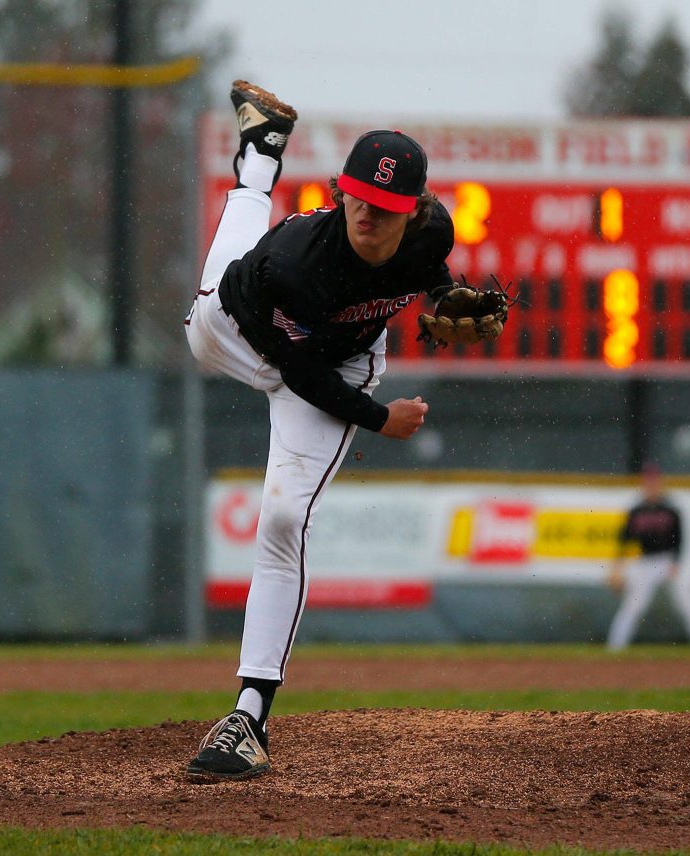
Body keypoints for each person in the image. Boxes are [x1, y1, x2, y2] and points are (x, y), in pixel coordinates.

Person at [182, 81, 475, 781]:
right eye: (356, 197)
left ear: (416, 210)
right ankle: (259, 159)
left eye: (385, 206)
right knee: (215, 288)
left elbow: (428, 267)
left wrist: (442, 295)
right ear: (340, 190)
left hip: (335, 352)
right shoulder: (298, 268)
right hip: (240, 332)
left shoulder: (433, 231)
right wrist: (380, 418)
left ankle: (248, 715)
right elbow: (302, 375)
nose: (366, 212)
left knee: (283, 517)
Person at [606, 464, 690, 652]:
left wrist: (675, 562)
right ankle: (614, 648)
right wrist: (617, 567)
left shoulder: (670, 509)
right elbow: (624, 541)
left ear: (660, 483)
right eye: (648, 481)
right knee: (634, 606)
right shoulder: (636, 511)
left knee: (688, 602)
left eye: (654, 481)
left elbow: (679, 539)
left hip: (669, 560)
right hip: (646, 563)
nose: (651, 485)